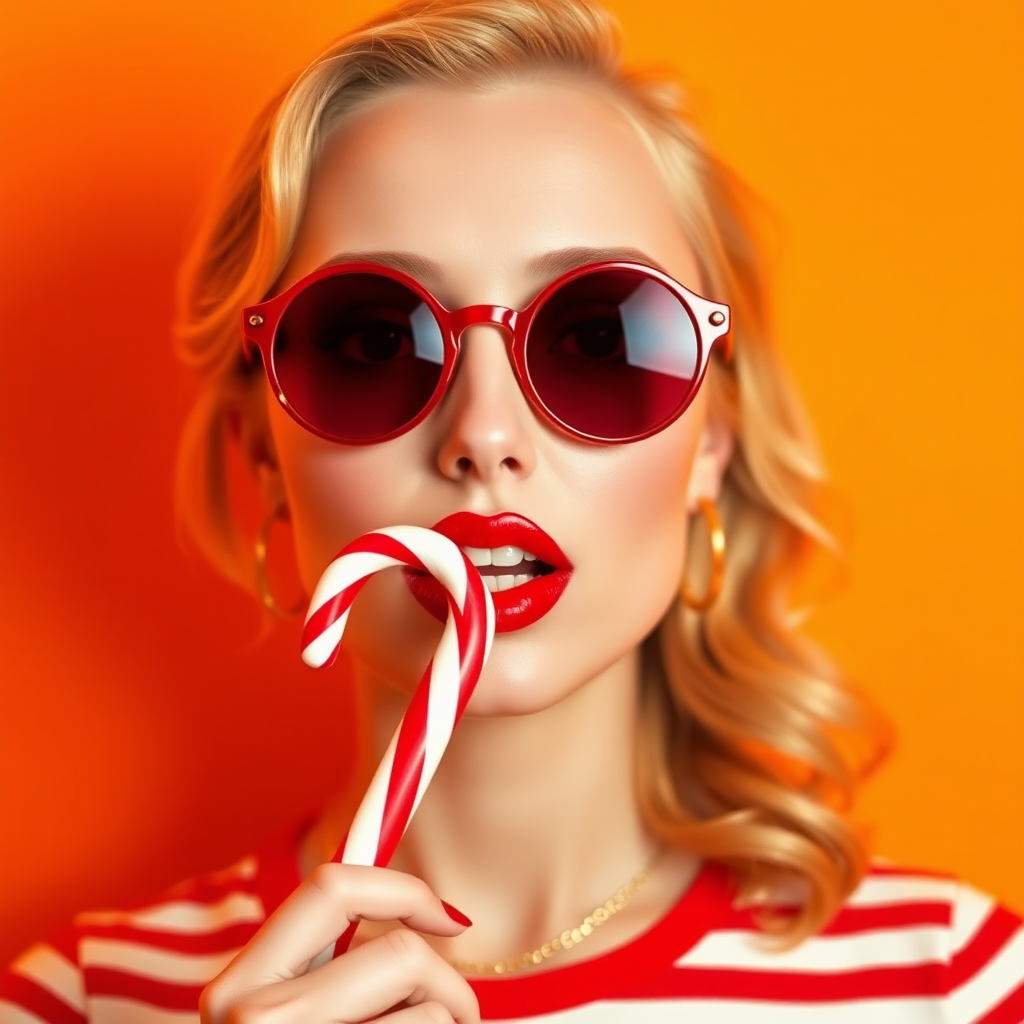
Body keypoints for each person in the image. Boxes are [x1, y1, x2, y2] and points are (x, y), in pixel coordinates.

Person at [1, 1, 1021, 1022]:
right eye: (370, 342)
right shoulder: (79, 1000)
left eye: (596, 340)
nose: (483, 434)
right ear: (264, 455)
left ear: (712, 441)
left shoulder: (959, 985)